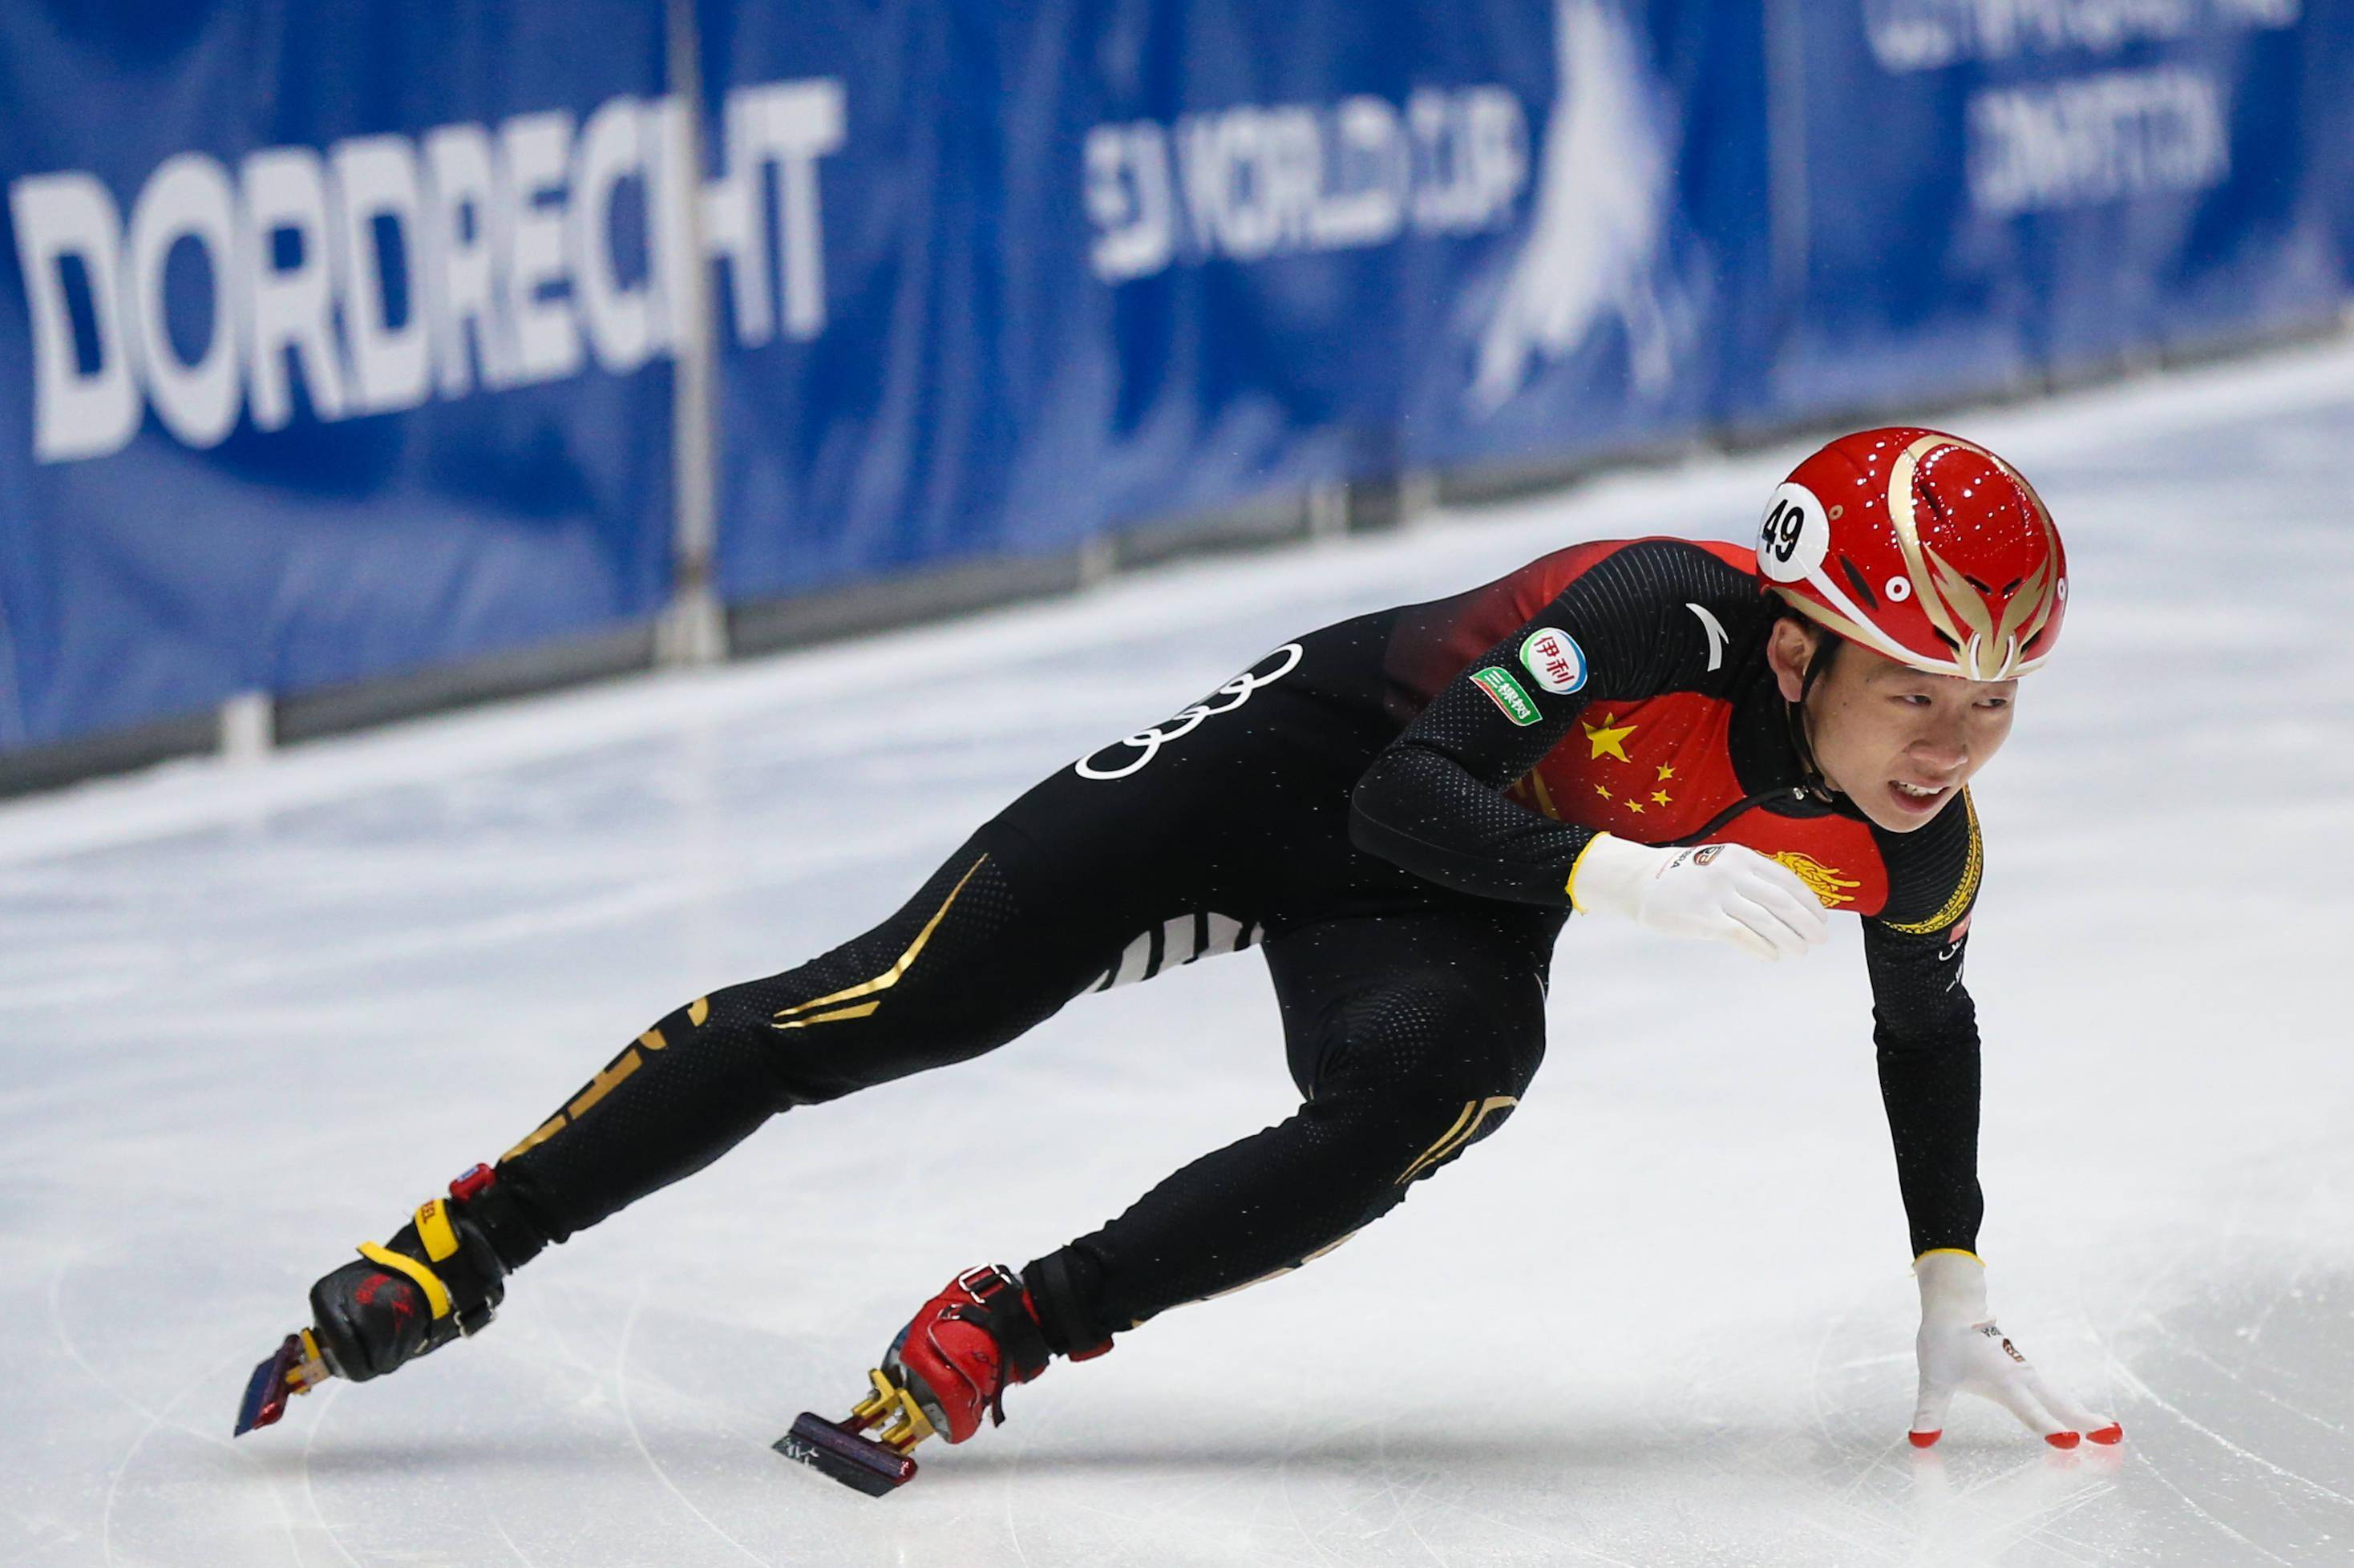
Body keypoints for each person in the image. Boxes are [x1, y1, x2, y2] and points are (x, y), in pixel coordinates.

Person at [236, 426, 2120, 1477]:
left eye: (1990, 709)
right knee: (885, 1006)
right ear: (1794, 646)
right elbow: (1404, 792)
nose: (1951, 751)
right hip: (1301, 770)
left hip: (1451, 891)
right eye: (1918, 696)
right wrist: (1621, 886)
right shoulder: (1658, 613)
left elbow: (1922, 1027)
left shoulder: (1913, 836)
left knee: (1451, 1080)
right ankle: (463, 1242)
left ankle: (1012, 1322)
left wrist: (1949, 1274)